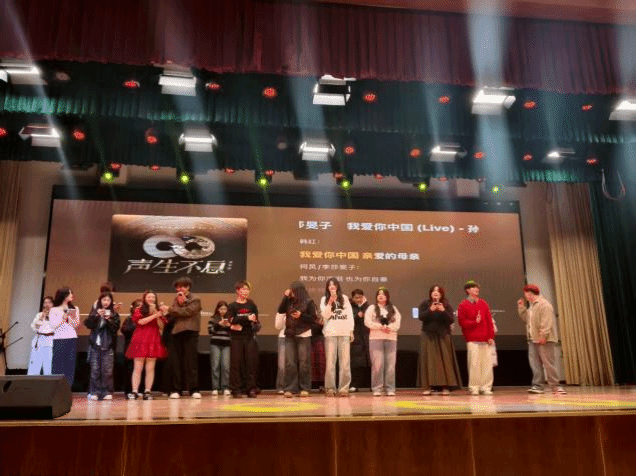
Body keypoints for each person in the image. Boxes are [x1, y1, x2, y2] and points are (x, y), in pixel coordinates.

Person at [518, 284, 566, 395]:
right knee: (535, 364)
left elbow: (546, 321)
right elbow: (527, 320)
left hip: (544, 339)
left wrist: (543, 335)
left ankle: (556, 386)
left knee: (548, 363)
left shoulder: (544, 304)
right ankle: (538, 386)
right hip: (533, 339)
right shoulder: (532, 306)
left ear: (530, 294)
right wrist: (522, 308)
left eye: (526, 294)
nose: (525, 297)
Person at [162, 277, 202, 399]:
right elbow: (175, 313)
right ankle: (176, 390)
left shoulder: (196, 299)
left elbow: (187, 312)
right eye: (179, 287)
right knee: (176, 362)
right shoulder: (176, 300)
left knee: (191, 362)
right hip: (177, 332)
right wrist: (169, 311)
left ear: (188, 287)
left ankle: (194, 389)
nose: (181, 289)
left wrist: (172, 308)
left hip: (190, 332)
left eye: (184, 286)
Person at [418, 284, 462, 395]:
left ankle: (445, 387)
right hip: (428, 335)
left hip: (443, 335)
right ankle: (428, 387)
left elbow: (451, 320)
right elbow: (421, 317)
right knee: (429, 362)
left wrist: (443, 310)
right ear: (430, 293)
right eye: (433, 291)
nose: (435, 292)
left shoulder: (446, 305)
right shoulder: (425, 304)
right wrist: (430, 310)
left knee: (445, 362)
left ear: (441, 294)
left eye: (438, 291)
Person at [275, 282, 318, 398]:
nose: (291, 292)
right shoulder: (288, 301)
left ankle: (305, 388)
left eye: (293, 290)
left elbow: (313, 319)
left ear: (299, 291)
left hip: (304, 334)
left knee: (304, 363)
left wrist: (301, 316)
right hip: (290, 334)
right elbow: (280, 310)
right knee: (290, 362)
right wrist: (285, 297)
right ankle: (290, 388)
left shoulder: (309, 302)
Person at [125, 291, 168, 399]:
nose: (151, 298)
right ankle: (135, 391)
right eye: (149, 296)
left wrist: (158, 314)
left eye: (153, 297)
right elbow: (140, 322)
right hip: (141, 338)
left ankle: (147, 391)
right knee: (138, 367)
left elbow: (161, 326)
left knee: (150, 367)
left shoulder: (158, 310)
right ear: (144, 298)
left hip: (153, 338)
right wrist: (154, 315)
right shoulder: (139, 309)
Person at [457, 281, 496, 396]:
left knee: (487, 365)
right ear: (468, 290)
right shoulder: (463, 305)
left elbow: (489, 321)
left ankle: (486, 387)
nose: (476, 289)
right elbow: (462, 322)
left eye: (477, 287)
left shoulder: (483, 303)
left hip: (485, 339)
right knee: (474, 364)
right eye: (473, 287)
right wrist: (474, 322)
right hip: (472, 339)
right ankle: (474, 387)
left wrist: (490, 336)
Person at [319, 277, 354, 397]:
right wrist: (330, 302)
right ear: (327, 288)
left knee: (345, 363)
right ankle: (330, 388)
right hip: (330, 333)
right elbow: (325, 316)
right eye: (329, 285)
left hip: (344, 332)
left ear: (337, 286)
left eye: (334, 284)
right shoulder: (324, 299)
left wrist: (351, 331)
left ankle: (344, 388)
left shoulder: (344, 298)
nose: (332, 286)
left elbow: (349, 315)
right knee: (330, 363)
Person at [364, 287, 401, 396]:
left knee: (390, 365)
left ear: (387, 297)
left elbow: (397, 323)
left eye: (383, 294)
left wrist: (390, 328)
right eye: (379, 294)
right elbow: (367, 322)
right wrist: (379, 326)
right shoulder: (371, 308)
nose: (381, 296)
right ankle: (377, 388)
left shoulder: (393, 309)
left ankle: (390, 388)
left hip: (391, 338)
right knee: (377, 365)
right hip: (376, 338)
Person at [84, 291, 121, 400]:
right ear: (100, 301)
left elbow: (115, 329)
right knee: (95, 370)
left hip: (108, 346)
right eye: (104, 299)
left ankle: (107, 391)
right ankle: (94, 391)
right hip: (95, 345)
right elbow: (88, 324)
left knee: (107, 370)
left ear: (111, 302)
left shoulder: (114, 314)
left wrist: (108, 319)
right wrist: (96, 316)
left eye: (108, 300)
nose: (106, 302)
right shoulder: (95, 312)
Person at [227, 281, 260, 398]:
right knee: (236, 364)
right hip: (236, 338)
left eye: (247, 289)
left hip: (249, 337)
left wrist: (249, 322)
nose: (245, 291)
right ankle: (236, 389)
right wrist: (246, 319)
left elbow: (255, 320)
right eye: (243, 289)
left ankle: (250, 389)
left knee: (250, 363)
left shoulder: (252, 305)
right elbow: (232, 320)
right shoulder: (232, 306)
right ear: (238, 291)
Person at [49, 287, 81, 388]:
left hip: (71, 338)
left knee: (70, 365)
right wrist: (63, 317)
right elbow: (53, 325)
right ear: (63, 296)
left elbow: (76, 325)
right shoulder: (54, 309)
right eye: (69, 293)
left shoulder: (74, 308)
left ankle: (67, 388)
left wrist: (72, 318)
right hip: (59, 339)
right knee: (58, 364)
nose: (72, 295)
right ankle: (57, 388)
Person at [208, 300, 231, 396]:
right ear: (217, 309)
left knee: (226, 366)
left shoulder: (230, 319)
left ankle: (225, 387)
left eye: (225, 309)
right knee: (215, 366)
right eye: (221, 309)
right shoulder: (213, 319)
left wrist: (229, 326)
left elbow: (233, 331)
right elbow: (210, 331)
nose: (223, 311)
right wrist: (218, 325)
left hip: (226, 344)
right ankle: (215, 388)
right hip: (215, 344)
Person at [27, 296, 55, 376]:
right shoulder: (39, 315)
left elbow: (56, 327)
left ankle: (48, 382)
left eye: (49, 302)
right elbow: (34, 327)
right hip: (39, 340)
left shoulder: (55, 315)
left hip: (50, 341)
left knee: (48, 366)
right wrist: (41, 318)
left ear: (53, 304)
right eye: (45, 302)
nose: (47, 304)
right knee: (34, 366)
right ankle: (31, 382)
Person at [350, 289, 370, 392]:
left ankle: (372, 385)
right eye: (356, 297)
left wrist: (364, 304)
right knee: (356, 363)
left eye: (360, 297)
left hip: (367, 337)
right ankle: (354, 385)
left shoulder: (367, 306)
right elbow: (350, 320)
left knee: (369, 362)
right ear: (352, 298)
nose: (358, 299)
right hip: (355, 338)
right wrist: (357, 316)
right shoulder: (349, 306)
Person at [121, 299, 141, 396]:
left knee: (140, 368)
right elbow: (124, 330)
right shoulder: (129, 318)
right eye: (138, 307)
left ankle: (139, 390)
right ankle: (129, 390)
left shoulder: (145, 318)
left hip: (141, 346)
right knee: (130, 368)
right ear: (133, 308)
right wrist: (136, 324)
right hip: (130, 346)